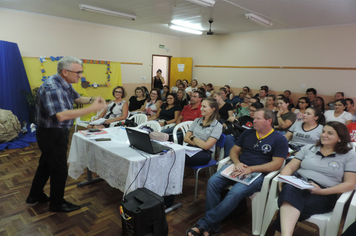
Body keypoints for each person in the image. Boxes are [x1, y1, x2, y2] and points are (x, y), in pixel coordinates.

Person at [186, 108, 288, 236]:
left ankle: (204, 224)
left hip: (257, 173)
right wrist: (237, 163)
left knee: (235, 192)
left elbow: (277, 164)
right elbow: (234, 151)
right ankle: (213, 226)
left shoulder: (279, 139)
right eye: (254, 118)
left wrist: (251, 169)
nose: (253, 120)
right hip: (238, 167)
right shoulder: (248, 133)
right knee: (212, 182)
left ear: (269, 120)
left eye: (258, 118)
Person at [26, 56, 106, 212]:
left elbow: (78, 98)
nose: (81, 75)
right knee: (59, 170)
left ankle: (35, 195)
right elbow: (61, 115)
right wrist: (92, 109)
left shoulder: (65, 83)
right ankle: (57, 204)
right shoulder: (53, 87)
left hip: (54, 132)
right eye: (78, 72)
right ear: (65, 72)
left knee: (46, 165)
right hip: (51, 134)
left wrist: (92, 98)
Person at [272, 121, 356, 236]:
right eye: (323, 131)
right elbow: (290, 167)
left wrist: (323, 191)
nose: (324, 135)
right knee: (289, 190)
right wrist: (283, 179)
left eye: (329, 133)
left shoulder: (349, 155)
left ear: (340, 138)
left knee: (288, 204)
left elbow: (350, 183)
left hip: (325, 193)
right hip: (299, 184)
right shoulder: (309, 148)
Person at [184, 98, 223, 166]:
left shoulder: (217, 126)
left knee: (181, 158)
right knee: (175, 154)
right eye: (201, 106)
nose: (201, 108)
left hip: (205, 153)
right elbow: (186, 138)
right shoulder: (197, 120)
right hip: (191, 148)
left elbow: (206, 146)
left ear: (213, 109)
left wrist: (193, 137)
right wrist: (199, 144)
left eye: (204, 106)